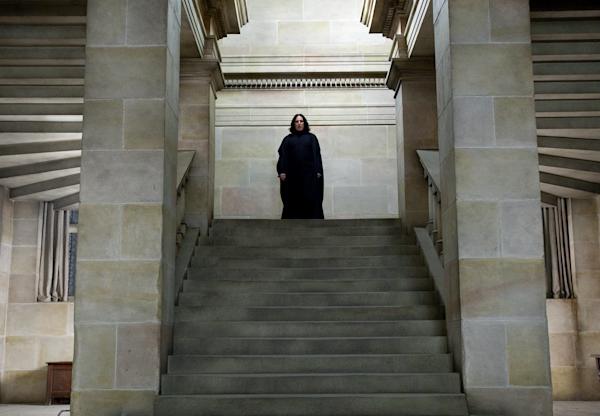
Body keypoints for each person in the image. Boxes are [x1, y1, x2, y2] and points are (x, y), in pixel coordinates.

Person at [276, 114, 324, 219]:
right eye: (296, 121)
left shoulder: (311, 138)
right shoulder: (287, 139)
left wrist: (318, 171)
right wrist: (282, 171)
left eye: (301, 121)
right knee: (292, 201)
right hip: (292, 178)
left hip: (309, 177)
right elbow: (283, 156)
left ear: (304, 123)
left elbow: (317, 155)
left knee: (310, 200)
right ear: (293, 124)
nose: (299, 123)